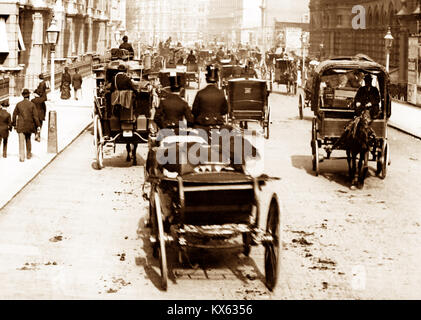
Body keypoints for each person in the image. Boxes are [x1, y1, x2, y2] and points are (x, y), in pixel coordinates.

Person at [12, 89, 41, 162]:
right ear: (29, 95)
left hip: (21, 125)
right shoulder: (32, 105)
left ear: (22, 95)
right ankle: (28, 154)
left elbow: (14, 115)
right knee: (28, 140)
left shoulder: (19, 104)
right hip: (29, 125)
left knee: (21, 141)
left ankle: (22, 157)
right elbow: (35, 117)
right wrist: (38, 125)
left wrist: (14, 124)